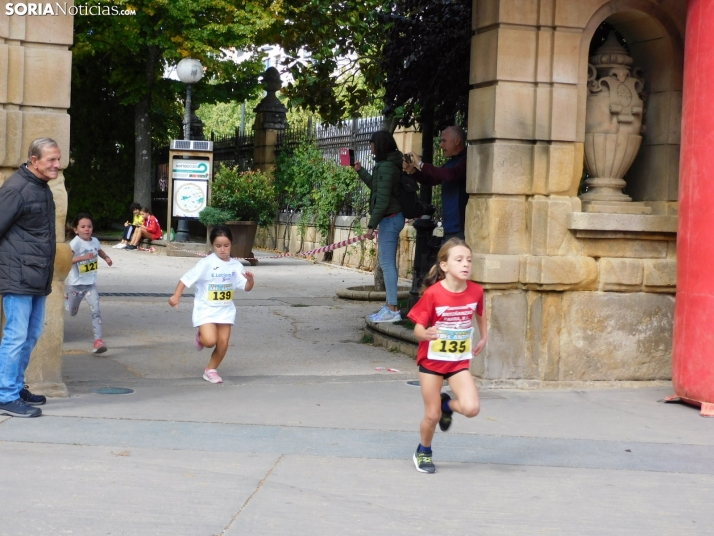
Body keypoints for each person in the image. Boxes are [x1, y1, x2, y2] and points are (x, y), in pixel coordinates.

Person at [407, 238, 488, 473]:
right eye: (459, 260)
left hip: (458, 362)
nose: (466, 265)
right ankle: (424, 451)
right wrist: (427, 334)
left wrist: (484, 337)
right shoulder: (433, 294)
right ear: (444, 266)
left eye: (469, 260)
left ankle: (448, 406)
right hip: (432, 362)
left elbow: (480, 312)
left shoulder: (476, 291)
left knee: (472, 408)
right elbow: (417, 330)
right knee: (431, 416)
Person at [0, 138, 61, 418]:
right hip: (18, 275)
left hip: (37, 275)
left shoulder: (41, 188)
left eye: (58, 159)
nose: (57, 165)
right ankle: (5, 395)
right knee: (15, 336)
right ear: (34, 161)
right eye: (51, 160)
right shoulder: (16, 188)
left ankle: (15, 386)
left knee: (32, 333)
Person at [168, 225, 254, 383]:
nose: (222, 249)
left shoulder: (236, 266)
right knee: (210, 341)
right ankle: (201, 336)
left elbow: (247, 287)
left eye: (226, 246)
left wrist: (250, 280)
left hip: (225, 310)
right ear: (212, 246)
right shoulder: (206, 263)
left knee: (223, 343)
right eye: (218, 246)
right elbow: (186, 279)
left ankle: (211, 370)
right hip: (206, 309)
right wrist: (176, 295)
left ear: (231, 244)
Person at [354, 131, 405, 323]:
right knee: (387, 264)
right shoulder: (386, 165)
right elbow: (377, 189)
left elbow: (382, 200)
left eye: (372, 143)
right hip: (390, 218)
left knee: (387, 265)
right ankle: (390, 306)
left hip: (390, 219)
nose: (370, 147)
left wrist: (371, 225)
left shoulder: (386, 167)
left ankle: (392, 309)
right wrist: (361, 171)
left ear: (380, 145)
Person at [404, 126, 467, 242]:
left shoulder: (467, 160)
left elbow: (450, 175)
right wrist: (412, 170)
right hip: (450, 226)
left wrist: (422, 164)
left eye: (444, 141)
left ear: (457, 141)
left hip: (461, 227)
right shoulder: (452, 162)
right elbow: (431, 179)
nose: (441, 145)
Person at [65, 213, 113, 354]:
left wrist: (107, 257)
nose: (87, 229)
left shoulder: (95, 241)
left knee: (96, 311)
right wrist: (82, 257)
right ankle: (67, 300)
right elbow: (68, 259)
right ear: (76, 229)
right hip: (75, 285)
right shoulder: (75, 243)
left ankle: (98, 341)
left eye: (89, 226)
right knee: (72, 312)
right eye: (83, 226)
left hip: (90, 284)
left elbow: (100, 251)